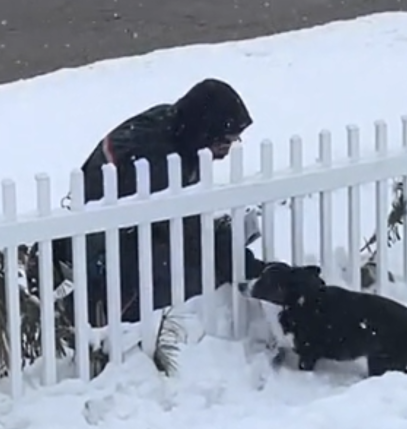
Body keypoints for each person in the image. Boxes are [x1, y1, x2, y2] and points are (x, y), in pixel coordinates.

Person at [49, 78, 269, 325]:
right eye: (224, 140)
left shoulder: (176, 128)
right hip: (111, 247)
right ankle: (97, 315)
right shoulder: (159, 157)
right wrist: (237, 258)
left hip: (118, 229)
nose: (228, 150)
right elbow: (182, 233)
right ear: (205, 131)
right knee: (201, 275)